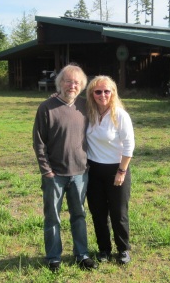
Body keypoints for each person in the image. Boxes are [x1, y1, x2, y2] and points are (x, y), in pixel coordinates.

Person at [32, 64, 98, 272]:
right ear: (60, 83)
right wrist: (47, 171)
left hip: (80, 172)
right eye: (68, 81)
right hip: (55, 174)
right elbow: (39, 141)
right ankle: (53, 257)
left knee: (79, 215)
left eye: (77, 82)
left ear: (82, 86)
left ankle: (82, 255)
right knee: (53, 217)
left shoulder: (86, 106)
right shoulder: (46, 107)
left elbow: (109, 103)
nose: (72, 85)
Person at [85, 75, 135, 265]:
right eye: (98, 91)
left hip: (117, 169)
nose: (103, 95)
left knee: (118, 212)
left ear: (113, 92)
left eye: (107, 91)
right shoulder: (88, 112)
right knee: (98, 213)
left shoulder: (120, 115)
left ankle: (123, 249)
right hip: (93, 170)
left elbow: (129, 145)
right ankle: (104, 249)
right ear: (92, 93)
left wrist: (121, 171)